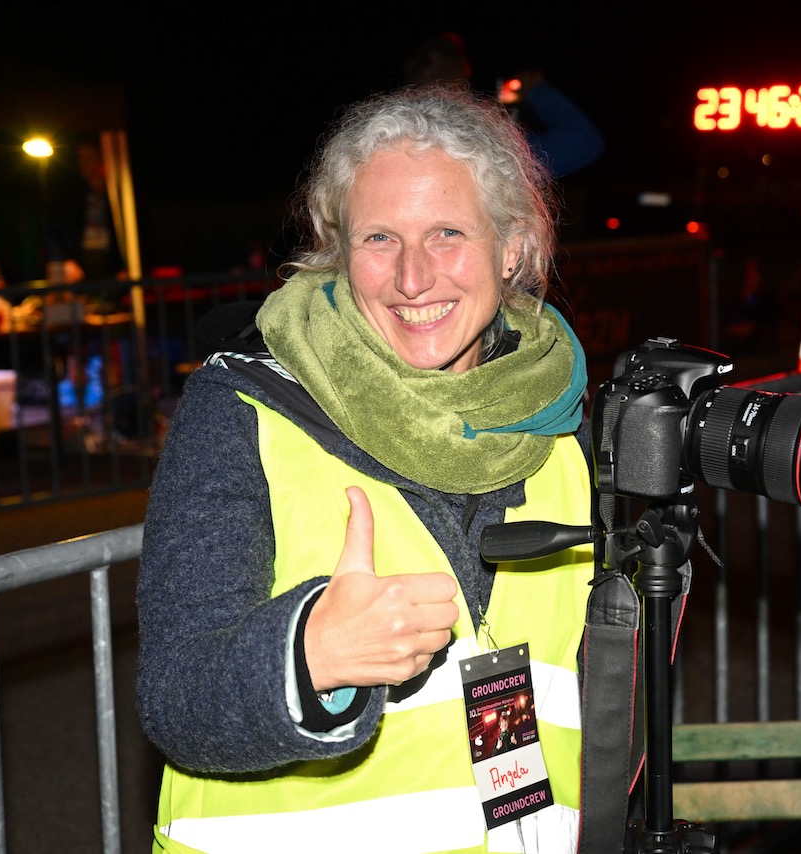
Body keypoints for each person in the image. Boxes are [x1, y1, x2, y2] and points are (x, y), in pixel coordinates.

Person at [137, 84, 595, 853]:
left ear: (511, 248)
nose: (414, 279)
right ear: (338, 250)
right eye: (380, 239)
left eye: (448, 232)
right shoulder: (243, 409)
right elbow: (177, 696)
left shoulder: (554, 425)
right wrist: (308, 657)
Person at [402, 32, 605, 179]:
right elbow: (584, 141)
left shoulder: (392, 141)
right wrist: (538, 91)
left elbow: (584, 142)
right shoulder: (496, 146)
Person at [45, 139, 125, 284]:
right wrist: (65, 260)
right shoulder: (73, 195)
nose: (83, 163)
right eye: (80, 158)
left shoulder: (117, 196)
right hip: (81, 266)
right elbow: (53, 231)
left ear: (101, 159)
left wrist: (123, 265)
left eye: (88, 157)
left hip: (110, 266)